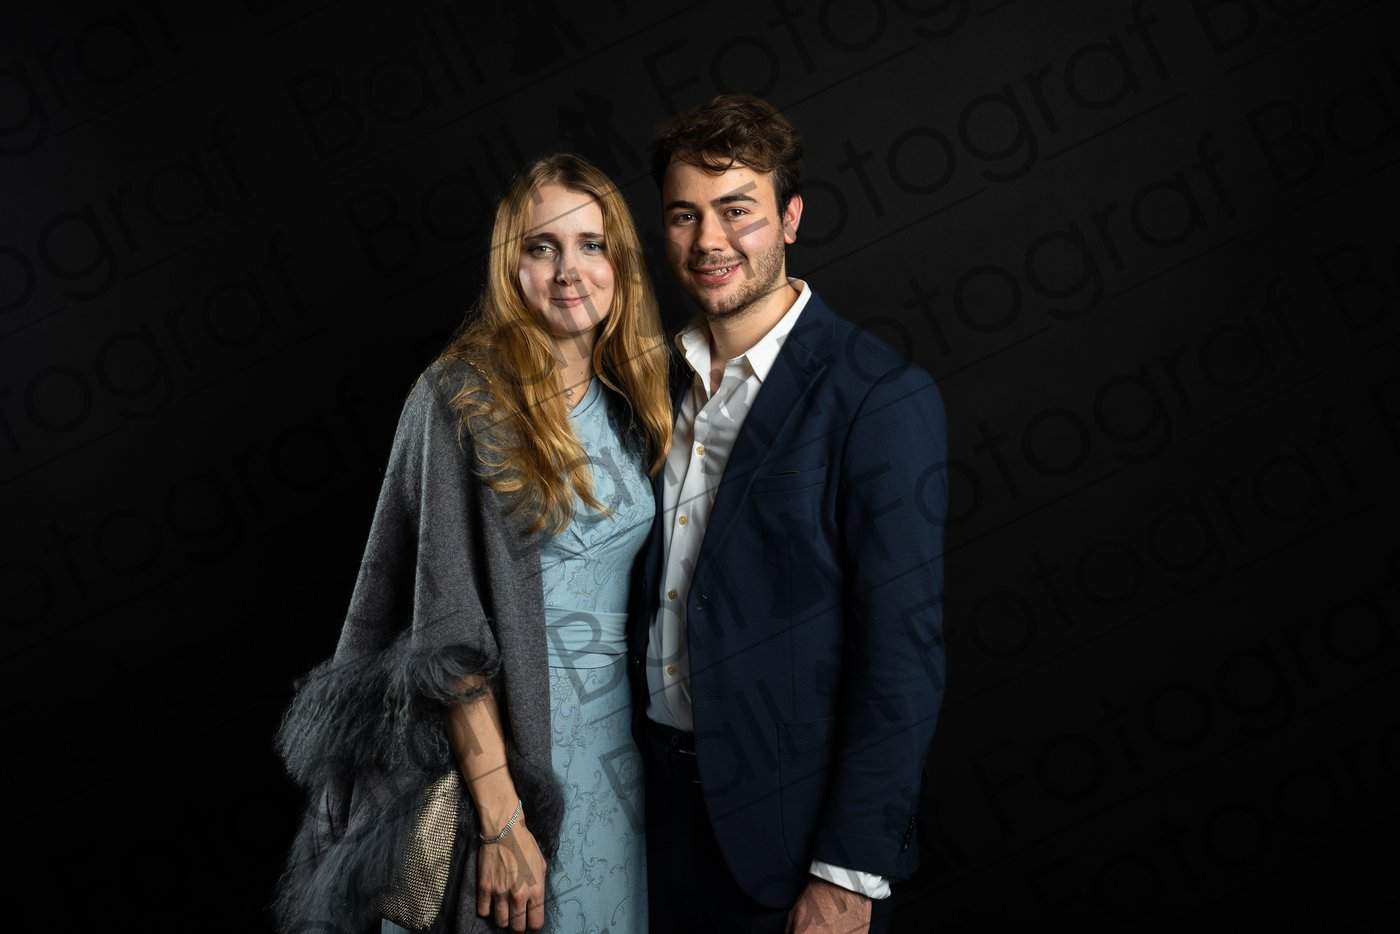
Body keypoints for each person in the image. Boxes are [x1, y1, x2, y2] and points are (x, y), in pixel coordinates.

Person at [271, 152, 673, 934]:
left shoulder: (634, 402)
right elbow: (446, 633)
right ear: (511, 267)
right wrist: (502, 820)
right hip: (505, 755)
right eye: (542, 247)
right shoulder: (461, 396)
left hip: (615, 755)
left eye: (591, 245)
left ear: (621, 264)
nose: (569, 271)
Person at [624, 93, 948, 934]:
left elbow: (902, 654)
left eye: (738, 210)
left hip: (788, 840)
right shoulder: (648, 383)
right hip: (639, 813)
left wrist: (850, 873)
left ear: (791, 218)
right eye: (685, 215)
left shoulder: (877, 396)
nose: (710, 241)